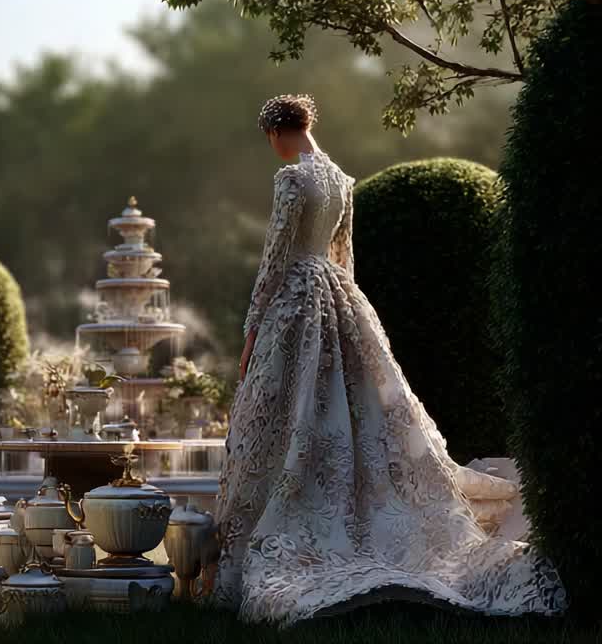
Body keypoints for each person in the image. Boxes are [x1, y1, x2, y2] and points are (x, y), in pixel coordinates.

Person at [212, 94, 566, 625]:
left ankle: (277, 528)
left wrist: (252, 330)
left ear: (276, 134)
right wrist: (349, 315)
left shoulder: (291, 181)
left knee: (286, 409)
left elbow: (275, 259)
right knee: (346, 407)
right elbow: (343, 258)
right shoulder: (342, 180)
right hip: (337, 296)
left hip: (298, 300)